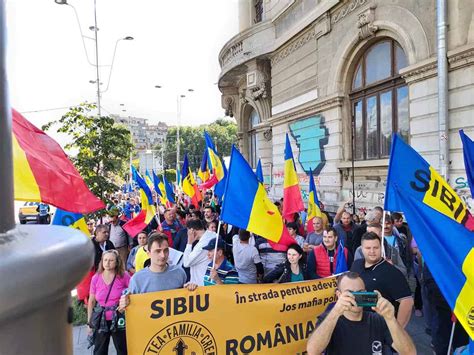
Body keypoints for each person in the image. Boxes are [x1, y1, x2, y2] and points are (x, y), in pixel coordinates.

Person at [306, 272, 416, 355]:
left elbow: (409, 352)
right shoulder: (328, 319)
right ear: (339, 295)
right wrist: (335, 312)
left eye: (360, 293)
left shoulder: (378, 320)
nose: (355, 297)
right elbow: (313, 351)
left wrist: (390, 318)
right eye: (349, 293)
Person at [351, 232, 414, 328]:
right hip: (356, 322)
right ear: (361, 249)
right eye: (368, 248)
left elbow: (407, 302)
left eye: (376, 247)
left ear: (381, 248)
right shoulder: (356, 264)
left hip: (379, 326)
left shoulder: (391, 272)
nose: (372, 251)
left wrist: (398, 331)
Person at [118, 233, 197, 309]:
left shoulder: (179, 272)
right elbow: (130, 309)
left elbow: (186, 299)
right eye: (158, 251)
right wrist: (124, 304)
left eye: (166, 250)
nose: (163, 255)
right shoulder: (137, 279)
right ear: (149, 254)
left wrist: (190, 289)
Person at [87, 250, 130, 355]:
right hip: (100, 318)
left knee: (122, 348)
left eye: (111, 260)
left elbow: (133, 292)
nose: (107, 263)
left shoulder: (124, 276)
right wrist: (89, 323)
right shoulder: (96, 278)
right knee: (99, 350)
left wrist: (125, 302)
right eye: (105, 260)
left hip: (119, 317)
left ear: (117, 262)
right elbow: (91, 301)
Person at [183, 219, 218, 286]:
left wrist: (189, 243)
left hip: (200, 283)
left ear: (192, 230)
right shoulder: (213, 235)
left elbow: (186, 263)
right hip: (209, 280)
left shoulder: (202, 245)